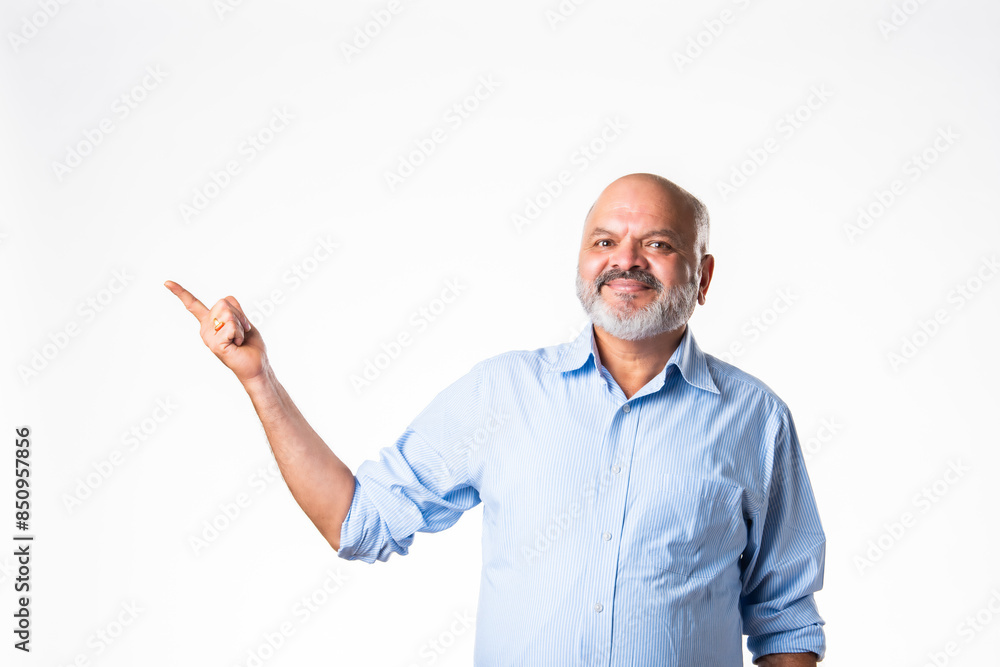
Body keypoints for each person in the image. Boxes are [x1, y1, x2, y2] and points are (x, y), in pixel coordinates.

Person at [165, 173, 826, 666]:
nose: (625, 260)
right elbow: (357, 520)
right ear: (582, 262)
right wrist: (259, 378)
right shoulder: (503, 394)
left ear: (702, 276)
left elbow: (786, 622)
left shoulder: (756, 420)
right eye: (604, 240)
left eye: (657, 243)